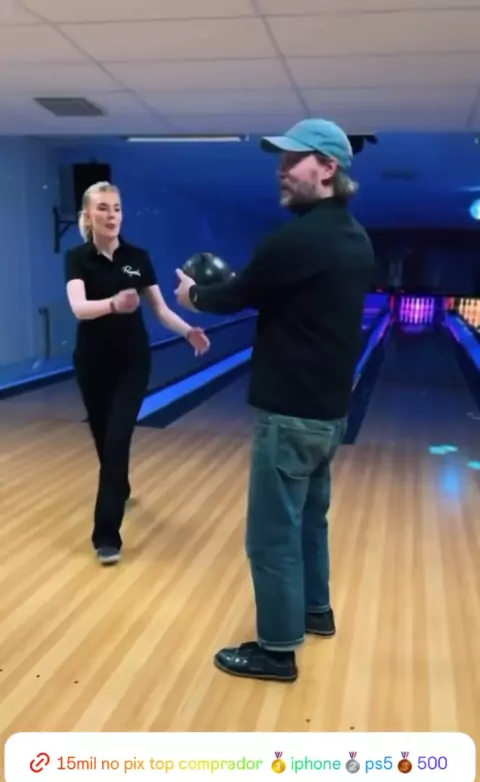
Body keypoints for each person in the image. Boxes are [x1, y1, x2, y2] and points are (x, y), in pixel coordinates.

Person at [175, 118, 375, 682]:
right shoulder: (355, 238)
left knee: (271, 536)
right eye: (281, 161)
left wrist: (194, 294)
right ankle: (316, 611)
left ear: (328, 168)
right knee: (310, 521)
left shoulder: (296, 239)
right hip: (328, 415)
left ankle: (277, 650)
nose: (281, 171)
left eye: (293, 160)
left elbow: (234, 295)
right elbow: (280, 296)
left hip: (288, 415)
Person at [65, 181, 210, 566]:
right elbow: (79, 307)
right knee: (104, 441)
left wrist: (188, 331)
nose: (111, 215)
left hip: (132, 362)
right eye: (103, 208)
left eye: (116, 208)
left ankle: (106, 535)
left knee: (116, 441)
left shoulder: (137, 258)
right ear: (88, 215)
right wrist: (113, 303)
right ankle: (121, 485)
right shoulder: (77, 258)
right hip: (92, 362)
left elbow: (160, 309)